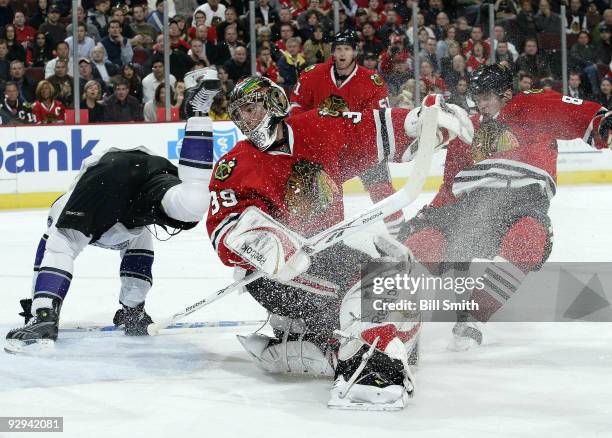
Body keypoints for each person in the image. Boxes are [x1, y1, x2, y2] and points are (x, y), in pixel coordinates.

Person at [207, 76, 434, 410]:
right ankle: (366, 377)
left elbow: (367, 132)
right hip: (273, 274)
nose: (245, 121)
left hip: (324, 252)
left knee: (393, 269)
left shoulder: (318, 127)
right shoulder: (233, 166)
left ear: (273, 104)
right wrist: (264, 244)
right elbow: (222, 228)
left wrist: (416, 124)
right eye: (239, 114)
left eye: (251, 109)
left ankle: (321, 340)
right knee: (364, 283)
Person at [397, 64, 612, 351]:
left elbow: (585, 116)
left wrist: (603, 123)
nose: (481, 104)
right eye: (478, 97)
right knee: (419, 244)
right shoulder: (468, 128)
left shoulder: (533, 106)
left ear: (507, 94)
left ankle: (473, 316)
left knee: (528, 238)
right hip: (469, 209)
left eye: (487, 97)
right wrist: (428, 216)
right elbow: (450, 188)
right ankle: (386, 320)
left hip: (521, 205)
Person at [6, 70, 222, 352]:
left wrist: (41, 309)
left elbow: (50, 252)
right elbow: (140, 259)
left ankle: (47, 318)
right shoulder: (135, 232)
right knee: (192, 204)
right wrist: (132, 310)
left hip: (107, 174)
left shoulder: (62, 209)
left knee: (62, 243)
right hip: (147, 166)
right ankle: (198, 114)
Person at [289, 29, 404, 236]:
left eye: (347, 49)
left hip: (361, 147)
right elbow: (296, 110)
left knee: (382, 190)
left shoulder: (371, 81)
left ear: (355, 52)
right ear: (332, 52)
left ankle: (400, 234)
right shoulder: (312, 74)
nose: (342, 54)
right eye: (338, 49)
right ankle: (323, 240)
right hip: (323, 151)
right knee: (326, 197)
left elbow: (380, 118)